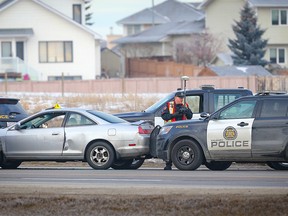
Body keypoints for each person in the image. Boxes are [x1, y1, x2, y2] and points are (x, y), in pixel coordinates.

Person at [161, 91, 193, 170]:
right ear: (175, 98)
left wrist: (186, 111)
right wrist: (174, 115)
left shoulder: (185, 105)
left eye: (182, 98)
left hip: (183, 128)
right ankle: (168, 164)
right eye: (179, 98)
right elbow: (164, 116)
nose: (181, 99)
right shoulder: (169, 105)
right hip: (171, 129)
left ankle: (184, 162)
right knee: (169, 146)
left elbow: (190, 116)